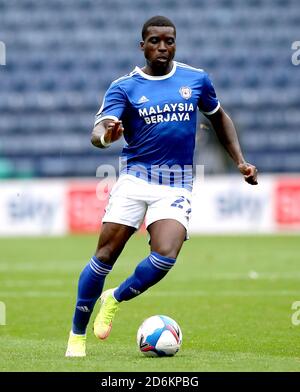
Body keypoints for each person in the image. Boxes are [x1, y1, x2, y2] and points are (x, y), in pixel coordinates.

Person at [65, 15, 258, 357]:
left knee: (166, 255)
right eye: (155, 41)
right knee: (105, 256)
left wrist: (239, 160)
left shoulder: (196, 79)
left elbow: (219, 118)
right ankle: (76, 336)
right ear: (142, 46)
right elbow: (98, 133)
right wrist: (107, 136)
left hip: (176, 183)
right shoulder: (124, 87)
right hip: (135, 180)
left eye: (169, 41)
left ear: (175, 43)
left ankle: (115, 297)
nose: (163, 47)